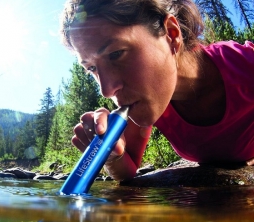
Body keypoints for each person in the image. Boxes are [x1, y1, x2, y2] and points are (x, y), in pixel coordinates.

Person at [60, 0, 254, 181]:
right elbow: (128, 169)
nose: (107, 90)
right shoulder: (150, 98)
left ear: (171, 34)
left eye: (116, 54)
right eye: (92, 68)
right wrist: (111, 155)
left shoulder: (246, 67)